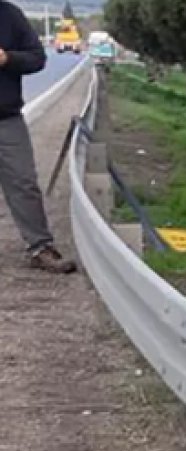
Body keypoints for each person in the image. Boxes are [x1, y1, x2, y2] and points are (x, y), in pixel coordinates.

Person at [0, 0, 76, 274]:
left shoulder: (10, 15)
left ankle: (40, 248)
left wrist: (8, 58)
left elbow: (37, 58)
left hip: (6, 120)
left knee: (24, 183)